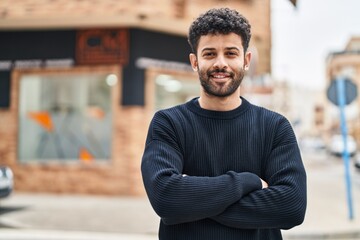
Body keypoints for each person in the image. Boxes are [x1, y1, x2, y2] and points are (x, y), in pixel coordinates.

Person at [141, 7, 306, 240]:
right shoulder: (169, 123)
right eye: (209, 54)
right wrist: (249, 181)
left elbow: (292, 207)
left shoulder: (274, 127)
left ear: (246, 60)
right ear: (195, 61)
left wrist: (191, 203)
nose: (220, 63)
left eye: (230, 53)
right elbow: (166, 198)